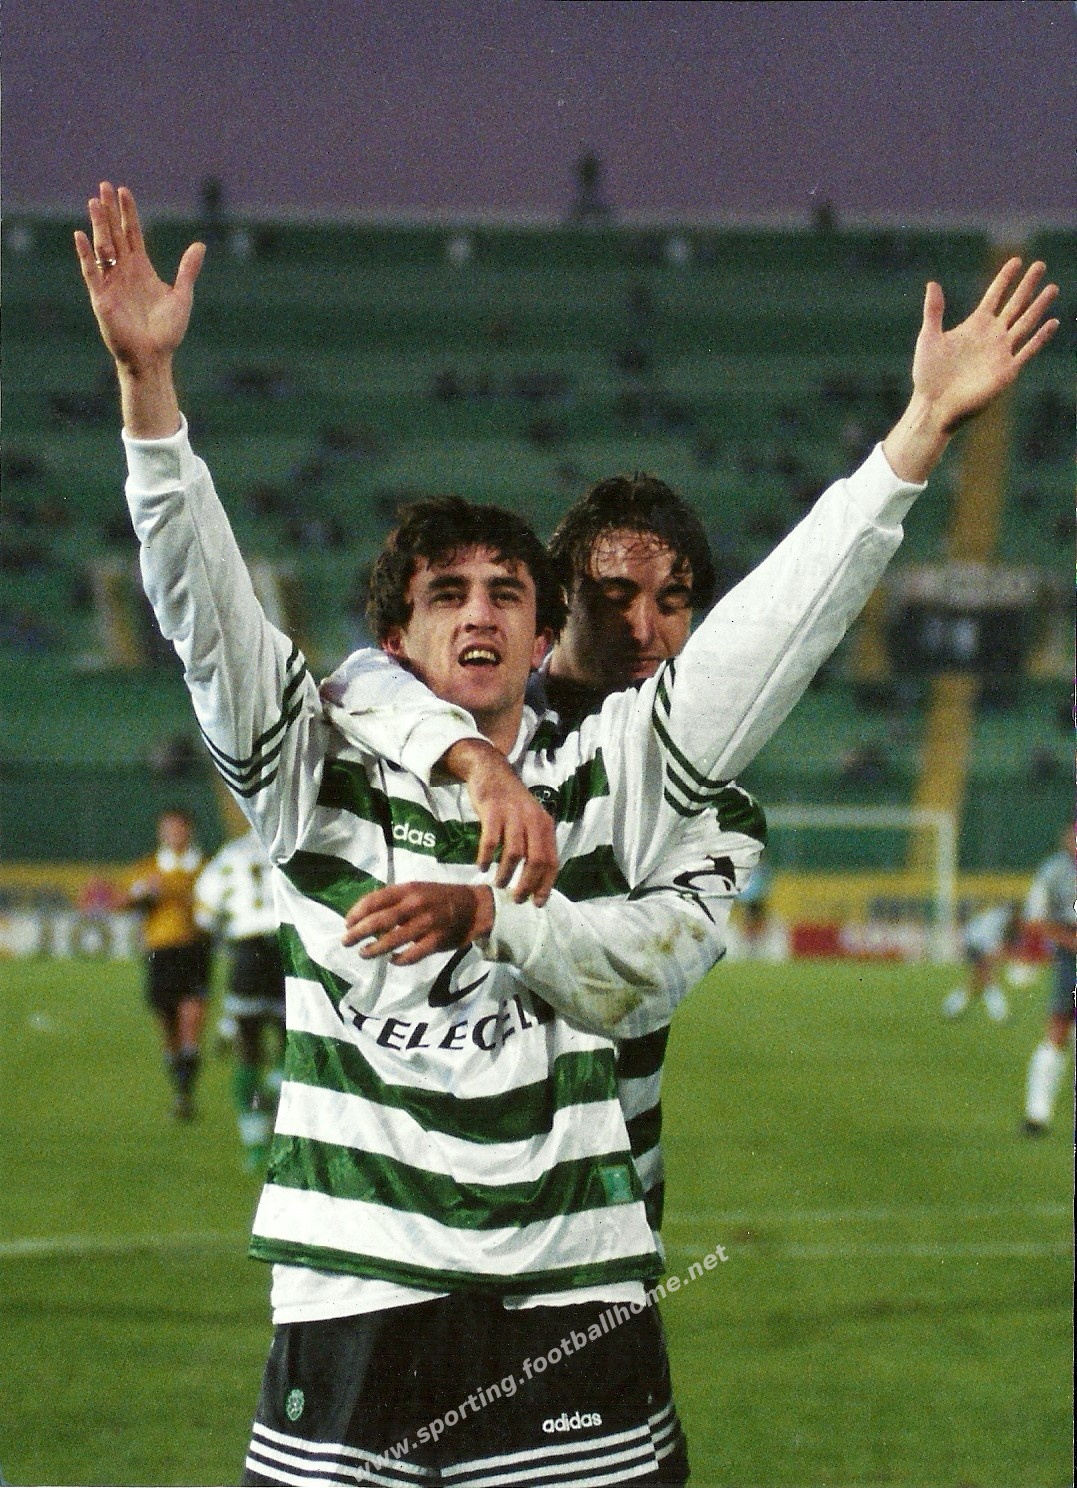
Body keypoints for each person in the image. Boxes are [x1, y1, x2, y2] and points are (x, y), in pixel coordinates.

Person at [76, 181, 1056, 1486]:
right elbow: (207, 616)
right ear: (393, 636)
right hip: (352, 1296)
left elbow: (769, 641)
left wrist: (915, 438)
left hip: (570, 1294)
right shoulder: (312, 767)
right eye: (445, 594)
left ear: (542, 635)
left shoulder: (622, 779)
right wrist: (150, 396)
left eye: (506, 593)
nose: (479, 614)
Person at [196, 830, 287, 1170]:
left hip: (247, 953)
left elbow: (205, 912)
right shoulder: (292, 840)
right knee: (294, 1045)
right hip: (287, 947)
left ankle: (255, 1144)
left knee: (248, 1049)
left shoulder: (232, 853)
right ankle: (273, 1091)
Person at [116, 807, 211, 1120]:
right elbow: (121, 901)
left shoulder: (205, 867)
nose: (173, 834)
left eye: (178, 828)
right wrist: (143, 893)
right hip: (160, 953)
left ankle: (185, 1094)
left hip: (195, 949)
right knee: (167, 1026)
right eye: (168, 829)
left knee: (191, 1018)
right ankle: (179, 1087)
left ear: (189, 830)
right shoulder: (149, 868)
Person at [1022, 826, 1076, 1134]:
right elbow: (1034, 919)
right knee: (1057, 1030)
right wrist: (1067, 939)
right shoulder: (1053, 871)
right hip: (1070, 959)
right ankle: (1037, 1114)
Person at [941, 902, 1021, 1022]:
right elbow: (990, 943)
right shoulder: (999, 920)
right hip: (975, 943)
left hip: (973, 941)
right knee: (986, 978)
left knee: (979, 980)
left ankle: (951, 1007)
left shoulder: (998, 916)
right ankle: (999, 1013)